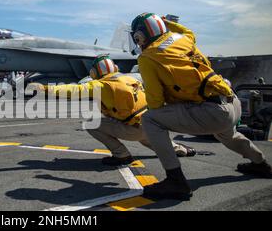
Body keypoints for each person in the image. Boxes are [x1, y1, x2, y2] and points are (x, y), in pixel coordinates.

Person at [131, 13, 271, 200]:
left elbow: (155, 103)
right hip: (231, 102)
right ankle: (260, 163)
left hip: (213, 113)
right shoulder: (183, 39)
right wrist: (166, 23)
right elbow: (188, 31)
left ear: (140, 35)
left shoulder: (147, 58)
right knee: (227, 134)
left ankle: (176, 180)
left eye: (137, 36)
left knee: (150, 119)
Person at [40, 55, 196, 166]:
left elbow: (73, 89)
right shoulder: (131, 79)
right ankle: (181, 150)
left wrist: (46, 88)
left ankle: (121, 155)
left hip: (134, 129)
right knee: (146, 136)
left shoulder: (102, 85)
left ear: (94, 72)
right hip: (152, 125)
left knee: (90, 123)